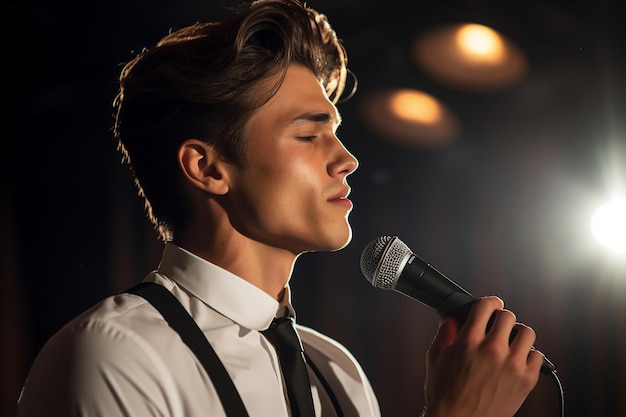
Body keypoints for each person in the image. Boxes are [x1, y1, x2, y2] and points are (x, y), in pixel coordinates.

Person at [17, 0, 545, 416]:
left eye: (335, 133)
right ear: (208, 168)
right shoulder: (115, 356)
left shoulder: (339, 374)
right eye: (309, 134)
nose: (348, 160)